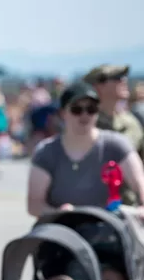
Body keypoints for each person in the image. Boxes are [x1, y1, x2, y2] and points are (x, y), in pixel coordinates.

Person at [27, 82, 144, 218]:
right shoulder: (46, 151)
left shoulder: (116, 144)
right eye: (77, 109)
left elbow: (140, 181)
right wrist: (58, 213)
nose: (85, 115)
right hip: (61, 229)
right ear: (63, 113)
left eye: (91, 109)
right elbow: (34, 205)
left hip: (110, 226)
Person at [84, 64, 144, 205]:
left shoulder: (131, 123)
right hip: (94, 207)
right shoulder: (83, 124)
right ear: (98, 86)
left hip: (131, 205)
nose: (124, 81)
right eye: (117, 78)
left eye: (124, 78)